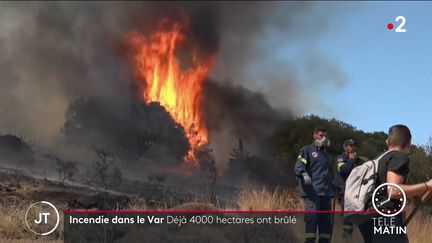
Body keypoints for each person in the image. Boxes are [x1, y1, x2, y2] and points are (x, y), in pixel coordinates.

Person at [358, 124, 432, 243]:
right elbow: (393, 191)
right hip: (386, 218)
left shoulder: (379, 158)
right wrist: (426, 186)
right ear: (409, 143)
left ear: (388, 142)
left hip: (369, 218)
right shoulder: (399, 157)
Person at [295, 127, 334, 243]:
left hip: (326, 194)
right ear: (315, 136)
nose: (324, 138)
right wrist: (304, 174)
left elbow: (326, 174)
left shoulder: (326, 155)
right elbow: (298, 165)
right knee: (312, 221)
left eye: (325, 136)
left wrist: (333, 188)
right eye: (321, 136)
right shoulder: (307, 150)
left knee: (326, 224)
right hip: (313, 193)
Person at [333, 139, 365, 242]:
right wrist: (351, 160)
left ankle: (350, 236)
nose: (353, 148)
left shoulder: (356, 159)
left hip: (353, 192)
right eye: (350, 146)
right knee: (347, 215)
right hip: (343, 191)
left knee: (352, 214)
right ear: (345, 147)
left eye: (354, 146)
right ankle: (346, 237)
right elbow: (343, 170)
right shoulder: (340, 158)